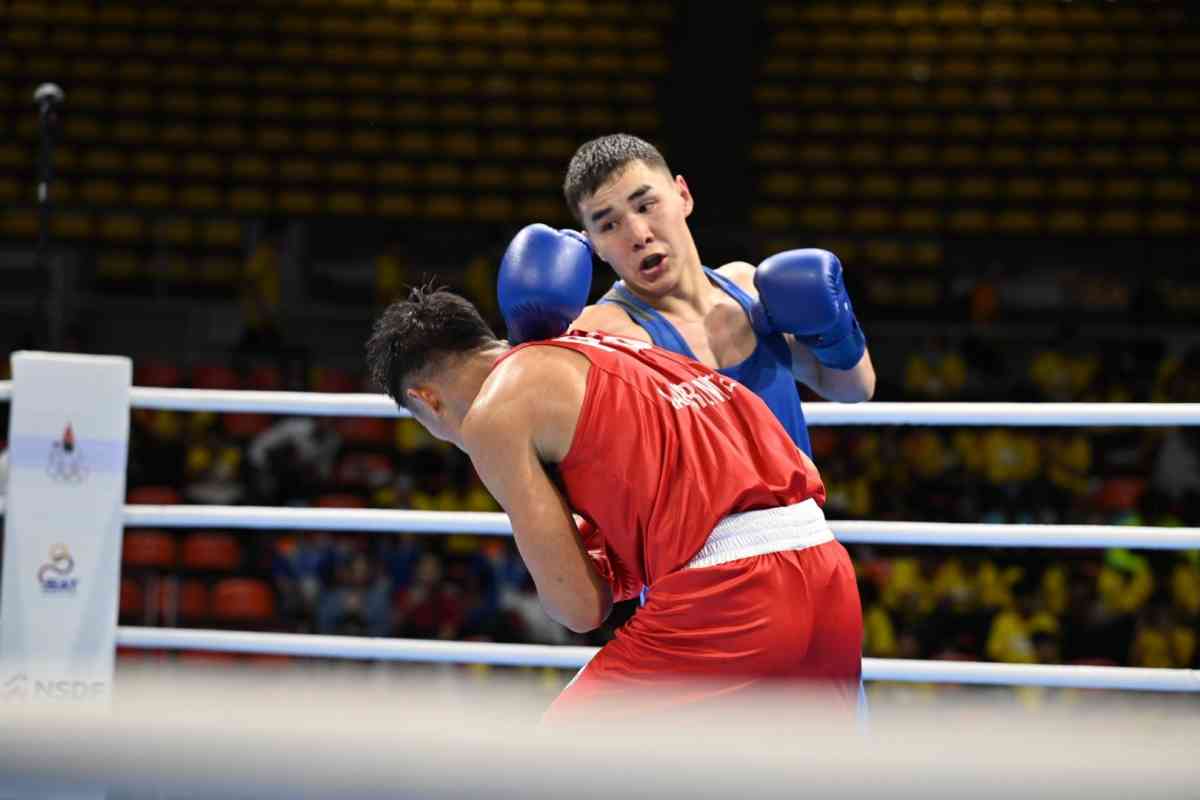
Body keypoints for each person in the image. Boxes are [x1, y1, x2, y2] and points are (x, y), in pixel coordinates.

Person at [365, 287, 863, 722]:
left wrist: (575, 569)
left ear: (426, 399)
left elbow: (580, 608)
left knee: (556, 763)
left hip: (734, 595)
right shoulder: (608, 345)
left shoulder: (493, 414)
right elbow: (797, 465)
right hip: (827, 572)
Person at [497, 133, 875, 459]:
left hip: (801, 535)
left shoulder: (749, 290)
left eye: (646, 206)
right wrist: (525, 343)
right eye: (609, 225)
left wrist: (836, 333)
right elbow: (511, 430)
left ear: (683, 196)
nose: (638, 233)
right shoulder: (602, 335)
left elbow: (855, 388)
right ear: (593, 245)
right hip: (694, 544)